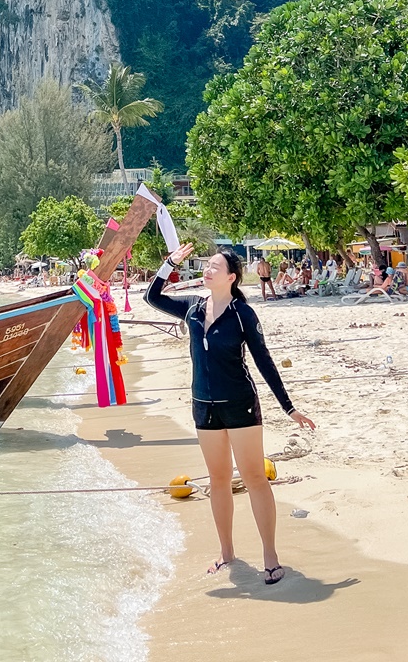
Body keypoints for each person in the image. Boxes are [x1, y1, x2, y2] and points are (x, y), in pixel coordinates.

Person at [146, 242, 316, 584]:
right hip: (203, 406)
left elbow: (263, 361)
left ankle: (270, 555)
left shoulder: (242, 313)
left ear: (231, 277)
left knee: (254, 478)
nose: (207, 270)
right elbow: (153, 297)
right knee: (219, 480)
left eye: (214, 267)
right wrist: (169, 263)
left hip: (239, 403)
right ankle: (227, 553)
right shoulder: (193, 307)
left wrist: (289, 407)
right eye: (206, 266)